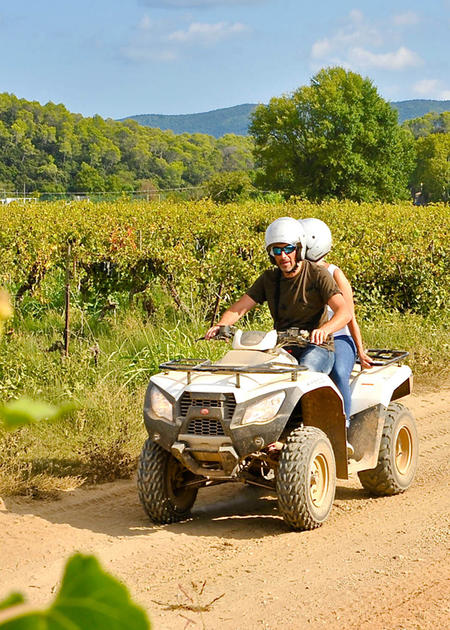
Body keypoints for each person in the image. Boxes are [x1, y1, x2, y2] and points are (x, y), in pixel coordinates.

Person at [205, 217, 351, 375]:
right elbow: (239, 308)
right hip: (281, 346)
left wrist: (324, 330)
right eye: (277, 250)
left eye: (288, 249)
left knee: (304, 373)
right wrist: (221, 326)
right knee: (254, 374)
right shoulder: (269, 278)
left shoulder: (317, 275)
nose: (283, 256)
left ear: (299, 249)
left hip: (317, 346)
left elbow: (344, 312)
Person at [301, 217, 373, 430]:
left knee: (339, 371)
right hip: (307, 337)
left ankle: (344, 425)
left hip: (339, 336)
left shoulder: (335, 273)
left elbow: (349, 314)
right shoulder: (296, 274)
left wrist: (360, 350)